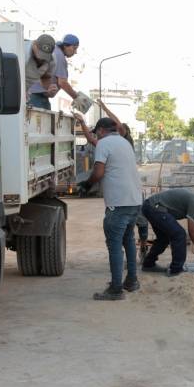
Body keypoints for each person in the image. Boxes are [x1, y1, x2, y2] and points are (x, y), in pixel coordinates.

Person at [79, 117, 143, 301]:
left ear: (100, 130)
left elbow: (99, 172)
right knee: (128, 241)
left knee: (114, 246)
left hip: (118, 202)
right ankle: (132, 281)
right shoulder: (125, 143)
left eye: (96, 132)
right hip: (134, 201)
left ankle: (116, 289)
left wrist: (86, 184)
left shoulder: (104, 144)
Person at [141, 189, 194, 276]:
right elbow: (192, 231)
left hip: (152, 207)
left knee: (164, 238)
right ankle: (176, 269)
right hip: (154, 207)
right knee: (179, 234)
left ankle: (148, 264)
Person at [25, 34, 59, 109]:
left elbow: (45, 77)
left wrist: (49, 88)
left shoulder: (51, 61)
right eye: (40, 55)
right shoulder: (23, 53)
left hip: (25, 93)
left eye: (44, 57)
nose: (41, 59)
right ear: (34, 45)